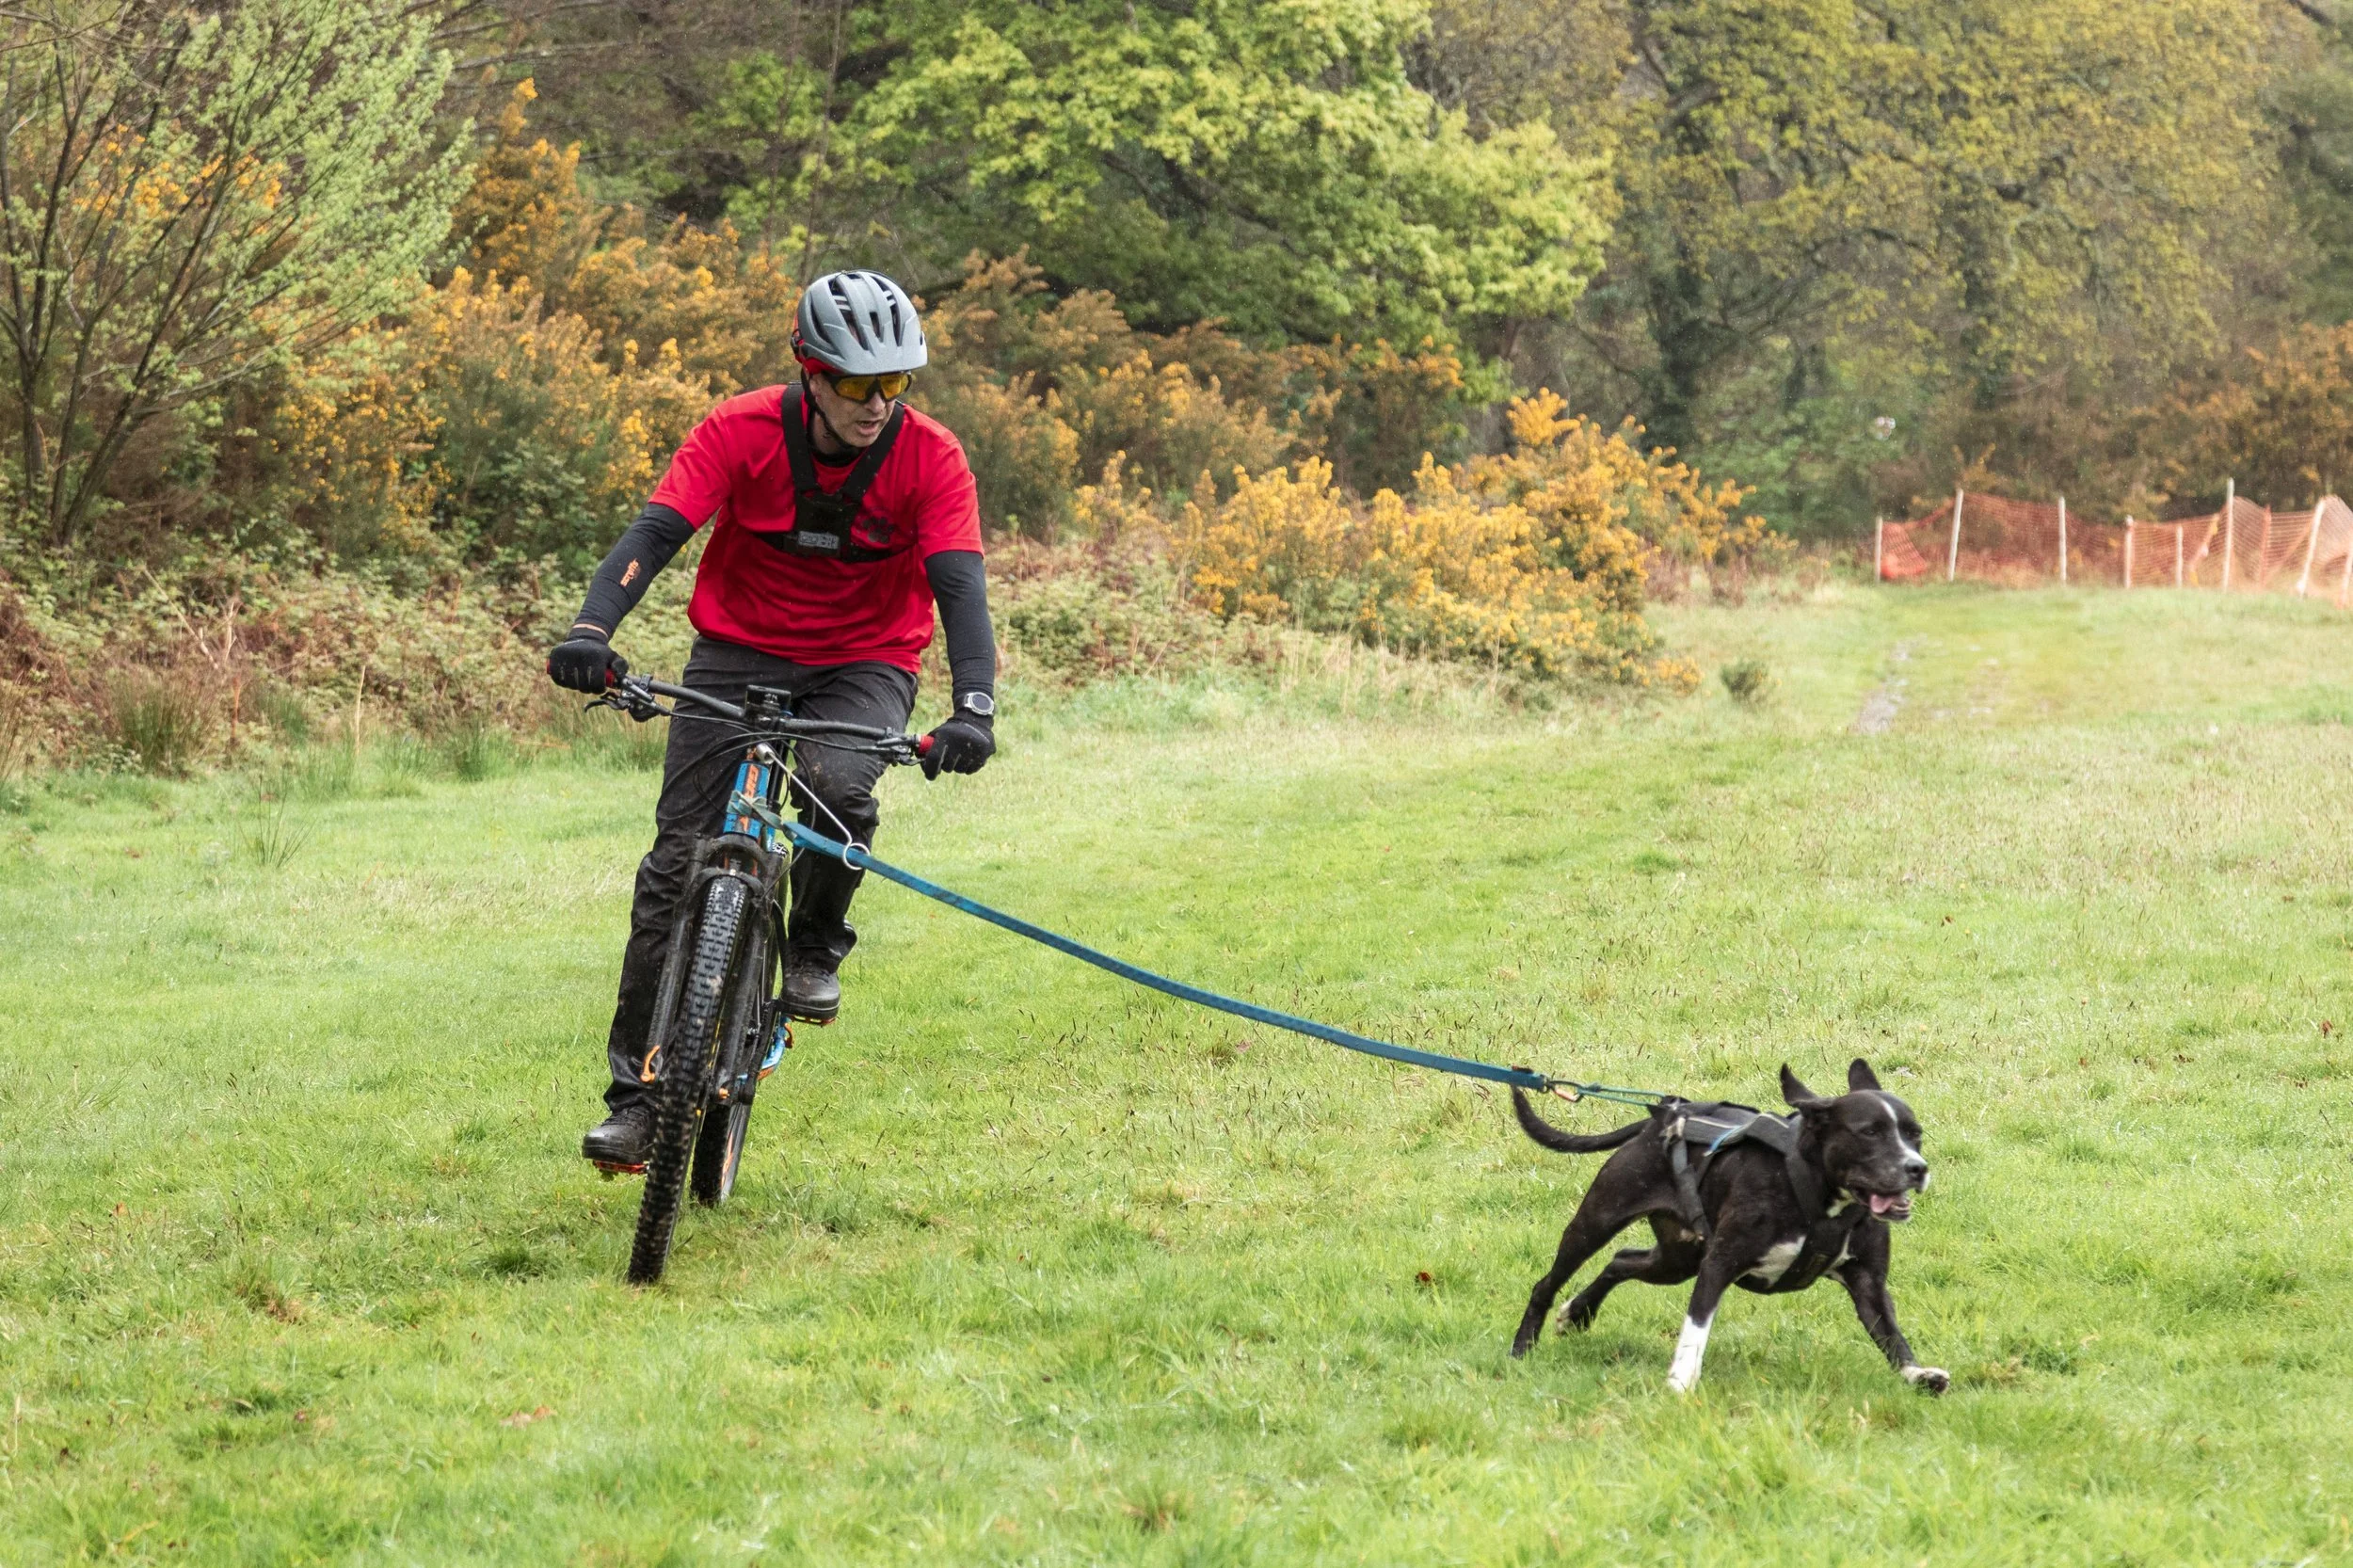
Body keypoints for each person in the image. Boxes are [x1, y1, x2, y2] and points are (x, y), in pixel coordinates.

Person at [545, 270, 998, 1169]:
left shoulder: (931, 457)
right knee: (675, 869)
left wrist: (973, 707)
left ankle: (816, 940)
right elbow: (654, 537)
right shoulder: (739, 429)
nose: (878, 405)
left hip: (865, 660)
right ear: (809, 371)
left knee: (837, 785)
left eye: (896, 383)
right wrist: (592, 630)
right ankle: (637, 1101)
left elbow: (959, 588)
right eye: (859, 384)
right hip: (736, 652)